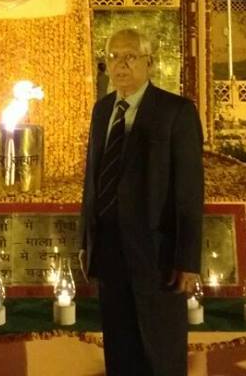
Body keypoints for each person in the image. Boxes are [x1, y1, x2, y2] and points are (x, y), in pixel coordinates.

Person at [79, 28, 204, 376]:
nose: (121, 65)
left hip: (157, 256)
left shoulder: (175, 112)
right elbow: (93, 179)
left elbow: (190, 191)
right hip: (109, 251)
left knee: (159, 351)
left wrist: (188, 260)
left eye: (130, 56)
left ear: (149, 62)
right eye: (114, 57)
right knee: (121, 351)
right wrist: (86, 240)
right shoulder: (102, 111)